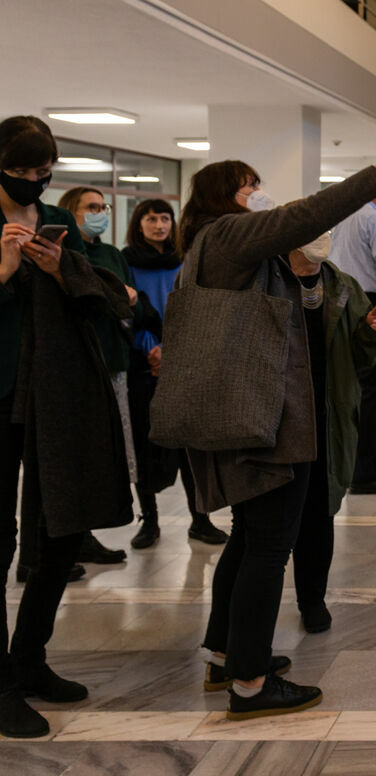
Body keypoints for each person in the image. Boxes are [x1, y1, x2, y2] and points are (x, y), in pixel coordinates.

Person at [182, 124, 376, 721]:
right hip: (263, 419)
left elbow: (295, 314)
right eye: (249, 186)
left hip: (250, 412)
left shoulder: (228, 251)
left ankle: (227, 655)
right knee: (267, 549)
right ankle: (250, 684)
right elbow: (305, 216)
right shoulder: (226, 236)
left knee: (249, 541)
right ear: (223, 197)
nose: (260, 194)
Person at [0, 116, 134, 738]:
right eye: (21, 170)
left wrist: (58, 267)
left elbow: (104, 294)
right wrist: (4, 271)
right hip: (2, 392)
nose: (34, 181)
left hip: (55, 394)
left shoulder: (56, 220)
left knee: (60, 532)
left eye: (43, 170)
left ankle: (29, 658)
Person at [286, 235, 376, 635]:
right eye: (311, 231)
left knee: (319, 512)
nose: (321, 239)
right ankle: (252, 615)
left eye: (325, 231)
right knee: (272, 522)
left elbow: (363, 359)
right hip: (282, 417)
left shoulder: (342, 286)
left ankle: (312, 599)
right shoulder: (269, 281)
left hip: (327, 416)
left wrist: (372, 331)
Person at [123, 199, 228, 548]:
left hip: (186, 359)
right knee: (145, 442)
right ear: (139, 224)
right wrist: (151, 348)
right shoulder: (126, 262)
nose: (159, 225)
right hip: (143, 362)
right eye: (151, 219)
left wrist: (174, 350)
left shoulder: (185, 258)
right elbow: (126, 311)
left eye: (165, 218)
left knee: (190, 444)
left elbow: (197, 307)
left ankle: (200, 520)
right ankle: (149, 520)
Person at [327, 178, 376, 495]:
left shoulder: (342, 218)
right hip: (373, 303)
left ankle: (353, 465)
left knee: (355, 388)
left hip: (344, 301)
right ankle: (365, 472)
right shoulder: (375, 219)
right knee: (374, 390)